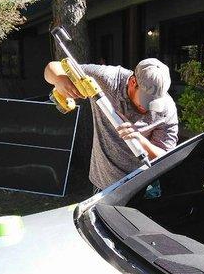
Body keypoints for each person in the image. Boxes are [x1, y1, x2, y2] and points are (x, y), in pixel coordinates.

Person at [44, 58, 178, 192]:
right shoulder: (107, 79)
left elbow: (166, 157)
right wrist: (60, 80)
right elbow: (51, 68)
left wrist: (141, 141)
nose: (148, 108)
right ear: (133, 82)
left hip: (142, 186)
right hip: (104, 184)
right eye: (145, 101)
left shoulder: (167, 109)